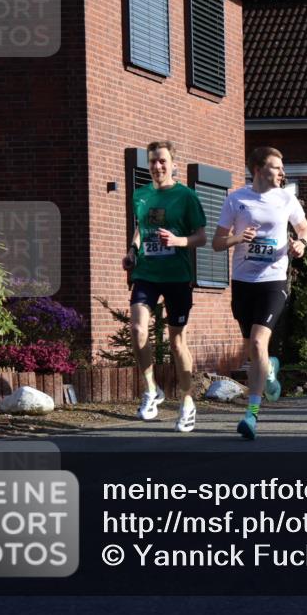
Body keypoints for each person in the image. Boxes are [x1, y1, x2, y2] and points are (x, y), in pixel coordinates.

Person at [213, 147, 307, 440]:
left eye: (282, 168)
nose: (282, 173)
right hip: (243, 283)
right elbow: (218, 242)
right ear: (257, 169)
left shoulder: (286, 198)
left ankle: (251, 416)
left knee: (258, 343)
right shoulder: (236, 199)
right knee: (253, 351)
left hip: (273, 281)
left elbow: (304, 228)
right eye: (275, 167)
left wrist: (301, 244)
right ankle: (269, 371)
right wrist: (237, 237)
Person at [123, 140, 207, 432]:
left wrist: (178, 241)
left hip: (177, 276)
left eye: (162, 161)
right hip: (146, 273)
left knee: (176, 342)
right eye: (152, 162)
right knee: (137, 328)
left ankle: (186, 402)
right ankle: (151, 389)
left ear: (173, 164)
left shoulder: (185, 197)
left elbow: (201, 236)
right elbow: (141, 228)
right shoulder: (141, 195)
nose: (157, 166)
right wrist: (132, 250)